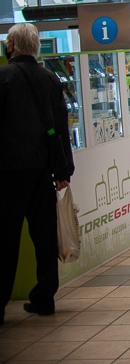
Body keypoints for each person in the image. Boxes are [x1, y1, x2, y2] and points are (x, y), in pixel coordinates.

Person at [1, 23, 75, 324]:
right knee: (44, 237)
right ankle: (45, 296)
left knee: (5, 238)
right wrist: (63, 170)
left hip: (7, 172)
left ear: (11, 46)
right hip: (43, 170)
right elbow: (61, 127)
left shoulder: (3, 78)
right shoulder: (50, 79)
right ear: (36, 47)